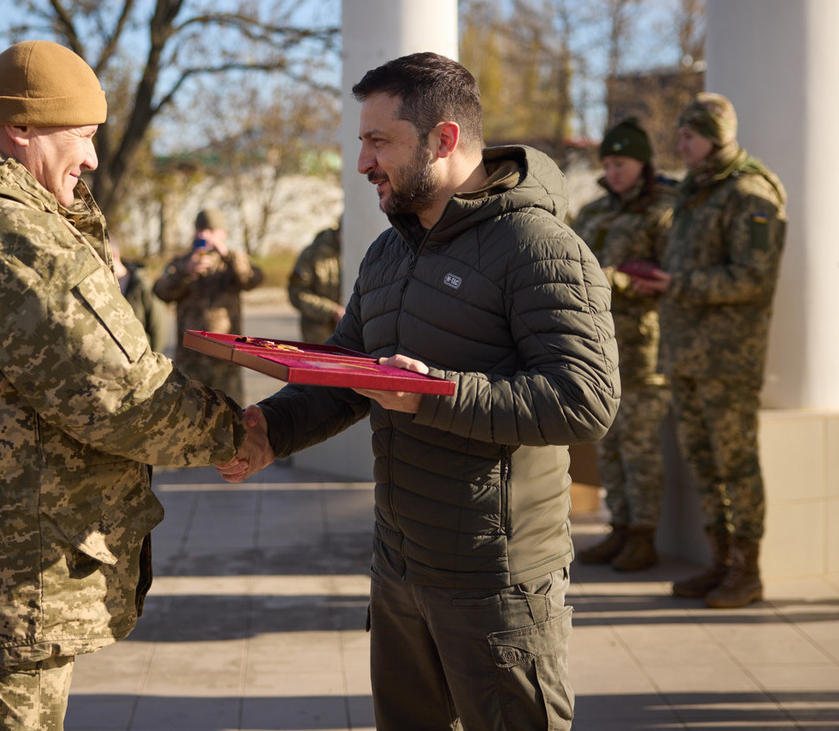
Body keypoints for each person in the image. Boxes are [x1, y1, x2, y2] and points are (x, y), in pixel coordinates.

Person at [232, 52, 620, 731]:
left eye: (379, 141)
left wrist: (436, 393)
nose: (362, 164)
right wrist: (271, 430)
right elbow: (350, 370)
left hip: (497, 584)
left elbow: (586, 396)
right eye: (362, 142)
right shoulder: (390, 252)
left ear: (443, 139)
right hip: (400, 568)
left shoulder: (538, 246)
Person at [0, 40, 258, 731]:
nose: (90, 158)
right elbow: (120, 394)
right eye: (80, 135)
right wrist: (242, 434)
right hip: (1, 585)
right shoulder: (7, 234)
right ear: (22, 128)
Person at [628, 92, 787, 609]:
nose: (680, 143)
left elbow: (753, 278)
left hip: (728, 359)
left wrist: (676, 283)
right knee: (703, 462)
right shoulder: (695, 192)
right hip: (686, 353)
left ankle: (749, 570)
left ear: (716, 138)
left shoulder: (749, 193)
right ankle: (720, 562)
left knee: (736, 464)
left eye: (689, 135)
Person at [570, 118, 676, 572]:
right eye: (608, 163)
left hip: (643, 349)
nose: (614, 171)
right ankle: (619, 529)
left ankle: (643, 536)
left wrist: (619, 280)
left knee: (638, 446)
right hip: (597, 346)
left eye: (623, 163)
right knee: (608, 444)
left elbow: (665, 276)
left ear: (644, 163)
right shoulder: (593, 212)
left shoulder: (664, 212)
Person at [153, 207, 263, 403]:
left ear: (223, 233)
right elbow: (161, 291)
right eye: (200, 229)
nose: (205, 234)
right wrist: (186, 272)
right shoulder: (182, 262)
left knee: (231, 415)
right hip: (191, 359)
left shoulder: (233, 261)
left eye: (211, 230)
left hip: (226, 357)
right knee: (190, 417)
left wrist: (228, 255)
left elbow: (252, 279)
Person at [287, 220, 344, 343]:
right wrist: (332, 311)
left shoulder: (366, 251)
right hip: (318, 334)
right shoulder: (311, 254)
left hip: (351, 333)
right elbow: (297, 293)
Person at [110, 240, 169, 353]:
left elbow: (158, 329)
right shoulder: (99, 286)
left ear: (113, 254)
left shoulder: (143, 286)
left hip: (141, 362)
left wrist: (151, 362)